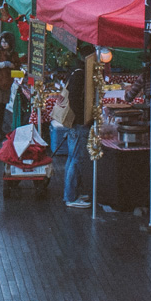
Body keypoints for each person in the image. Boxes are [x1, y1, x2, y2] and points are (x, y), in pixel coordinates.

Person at [62, 56, 90, 209]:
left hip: (74, 123)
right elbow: (74, 99)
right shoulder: (80, 74)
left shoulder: (75, 72)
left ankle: (69, 193)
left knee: (71, 158)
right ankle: (71, 196)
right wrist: (83, 118)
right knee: (76, 159)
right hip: (78, 123)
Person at [0, 32, 22, 142]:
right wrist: (3, 64)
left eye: (6, 42)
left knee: (2, 108)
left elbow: (17, 69)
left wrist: (14, 67)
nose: (4, 44)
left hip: (7, 85)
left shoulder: (13, 54)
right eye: (2, 42)